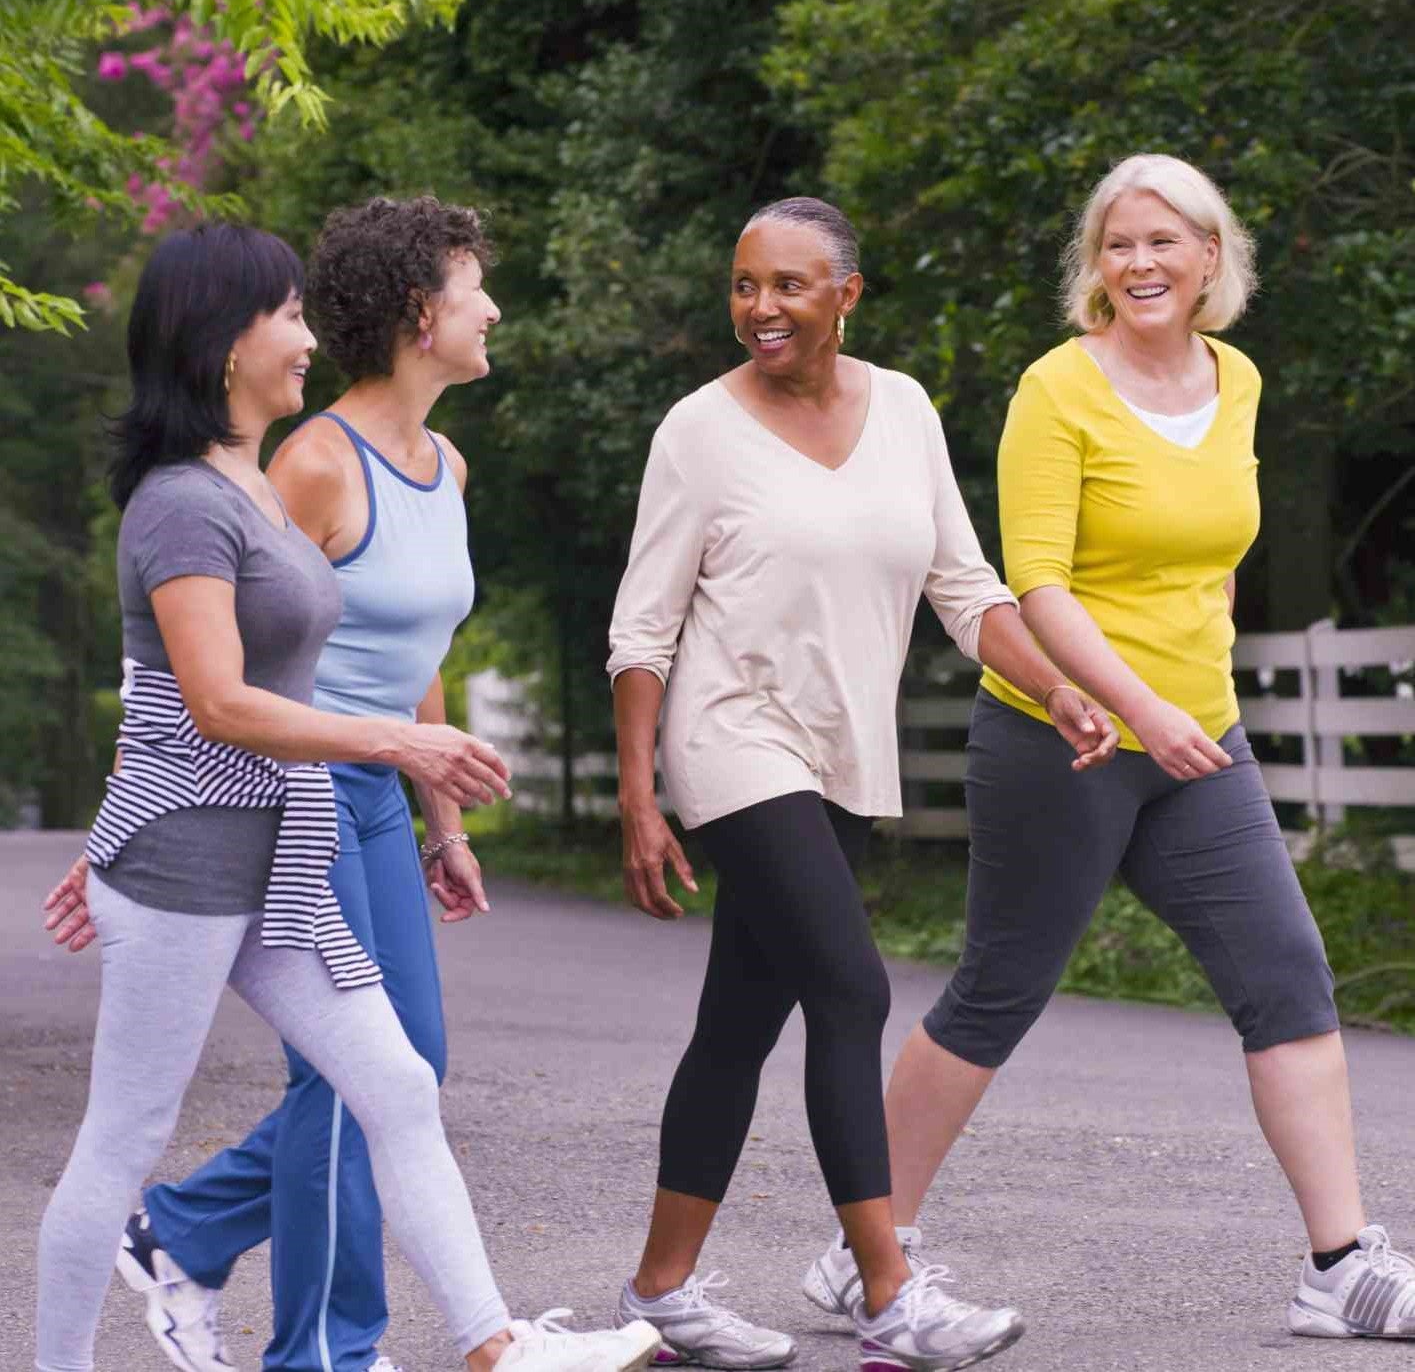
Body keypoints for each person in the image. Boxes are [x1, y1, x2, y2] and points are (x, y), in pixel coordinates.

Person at [805, 153, 1415, 1341]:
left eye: (1160, 242)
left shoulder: (1234, 379)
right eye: (1115, 244)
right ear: (1096, 265)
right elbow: (1031, 582)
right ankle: (862, 1247)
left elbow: (1209, 554)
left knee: (1286, 975)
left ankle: (1338, 1263)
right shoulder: (1056, 389)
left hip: (1197, 739)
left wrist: (1192, 691)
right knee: (996, 989)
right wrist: (1136, 705)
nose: (1137, 263)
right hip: (1062, 736)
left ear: (1206, 259)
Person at [34, 221, 662, 1372]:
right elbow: (210, 699)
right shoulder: (183, 502)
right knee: (121, 1140)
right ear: (225, 342)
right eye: (286, 315)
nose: (309, 337)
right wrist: (400, 745)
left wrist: (420, 789)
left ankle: (493, 1342)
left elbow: (216, 684)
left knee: (395, 1082)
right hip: (183, 871)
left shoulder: (248, 491)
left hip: (279, 858)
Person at [604, 197, 1120, 1372]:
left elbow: (964, 584)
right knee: (849, 986)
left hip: (838, 749)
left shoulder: (903, 409)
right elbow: (642, 627)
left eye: (787, 284)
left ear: (846, 291)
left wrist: (1058, 687)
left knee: (737, 1020)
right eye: (742, 284)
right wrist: (641, 793)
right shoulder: (697, 429)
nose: (759, 307)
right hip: (730, 736)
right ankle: (887, 1289)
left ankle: (661, 1286)